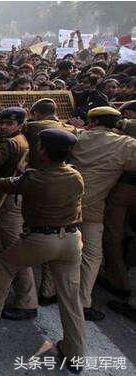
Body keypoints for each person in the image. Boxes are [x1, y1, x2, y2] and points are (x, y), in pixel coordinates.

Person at [0, 128, 86, 374]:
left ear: (44, 151)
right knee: (71, 299)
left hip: (41, 239)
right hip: (71, 240)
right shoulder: (75, 176)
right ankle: (75, 354)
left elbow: (5, 185)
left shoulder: (33, 178)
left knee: (5, 263)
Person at [70, 106, 136, 322]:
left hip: (66, 205)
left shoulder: (77, 137)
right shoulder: (125, 145)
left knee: (58, 250)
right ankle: (83, 301)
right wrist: (126, 127)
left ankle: (49, 292)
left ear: (92, 121)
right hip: (94, 209)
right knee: (91, 255)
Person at [0, 107, 37, 320]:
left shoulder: (11, 144)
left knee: (16, 252)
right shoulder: (21, 139)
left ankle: (27, 302)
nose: (4, 127)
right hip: (5, 197)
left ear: (19, 124)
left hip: (7, 201)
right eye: (2, 123)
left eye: (9, 124)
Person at [22, 98, 73, 305]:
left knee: (33, 229)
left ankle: (25, 300)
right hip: (62, 186)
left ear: (35, 113)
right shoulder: (69, 130)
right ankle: (48, 289)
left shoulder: (33, 127)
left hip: (36, 182)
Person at [100, 100, 136, 298]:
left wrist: (118, 123)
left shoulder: (126, 131)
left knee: (112, 236)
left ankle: (119, 281)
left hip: (125, 190)